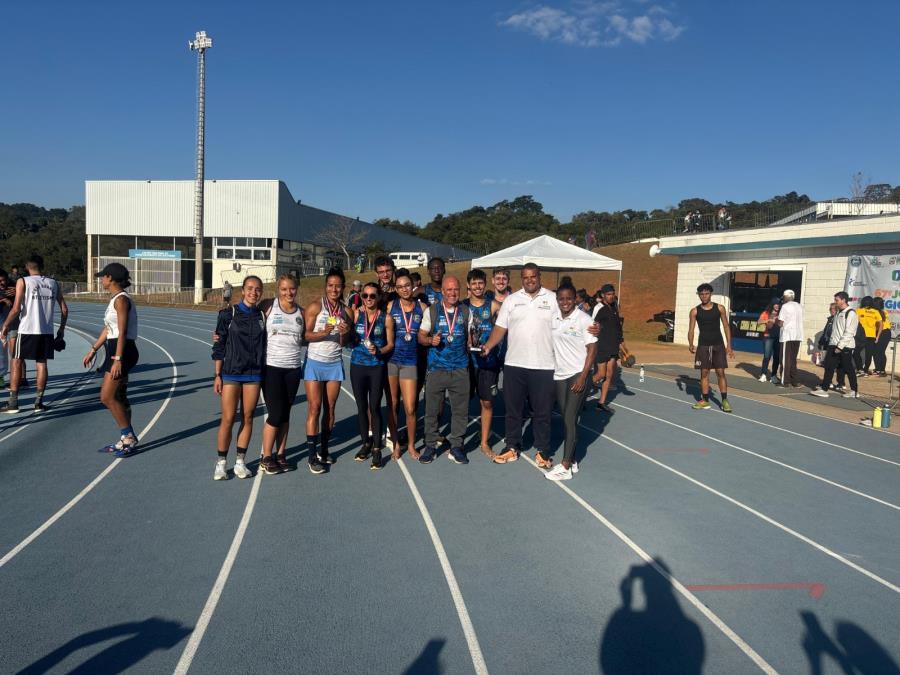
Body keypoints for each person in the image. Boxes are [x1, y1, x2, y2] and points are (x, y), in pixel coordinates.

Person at [481, 263, 556, 467]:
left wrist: (591, 327)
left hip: (544, 365)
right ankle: (512, 447)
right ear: (521, 279)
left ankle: (542, 450)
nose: (530, 280)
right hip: (514, 364)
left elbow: (569, 322)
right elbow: (500, 327)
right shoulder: (512, 301)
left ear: (539, 276)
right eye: (525, 277)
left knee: (542, 411)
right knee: (513, 410)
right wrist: (488, 346)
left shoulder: (552, 299)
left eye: (533, 277)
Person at [211, 276, 265, 480]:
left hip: (253, 373)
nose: (254, 292)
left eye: (258, 289)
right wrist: (217, 374)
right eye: (250, 288)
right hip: (231, 373)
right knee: (227, 418)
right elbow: (219, 345)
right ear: (242, 291)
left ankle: (240, 461)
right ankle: (221, 463)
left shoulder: (262, 315)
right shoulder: (228, 314)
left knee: (248, 417)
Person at [84, 263, 140, 456]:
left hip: (121, 350)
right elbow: (109, 329)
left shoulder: (121, 300)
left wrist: (117, 359)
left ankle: (129, 436)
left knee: (106, 397)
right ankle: (126, 438)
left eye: (103, 277)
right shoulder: (115, 299)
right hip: (116, 348)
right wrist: (93, 349)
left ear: (110, 278)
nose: (101, 280)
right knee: (120, 396)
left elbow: (122, 331)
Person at [1, 255, 68, 413]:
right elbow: (64, 309)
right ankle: (39, 403)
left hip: (26, 330)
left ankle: (13, 403)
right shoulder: (53, 283)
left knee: (16, 361)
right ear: (42, 265)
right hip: (46, 331)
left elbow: (16, 308)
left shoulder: (23, 281)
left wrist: (5, 325)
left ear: (26, 266)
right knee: (42, 364)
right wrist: (61, 330)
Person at [545, 283, 597, 481]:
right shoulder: (554, 319)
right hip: (560, 375)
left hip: (578, 374)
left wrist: (584, 376)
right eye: (561, 299)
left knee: (568, 417)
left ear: (575, 299)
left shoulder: (584, 320)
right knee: (568, 418)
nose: (565, 302)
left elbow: (592, 349)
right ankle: (573, 459)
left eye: (569, 298)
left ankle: (565, 465)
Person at [418, 275, 471, 465]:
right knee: (431, 411)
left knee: (460, 411)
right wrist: (430, 340)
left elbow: (470, 339)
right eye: (448, 290)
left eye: (455, 289)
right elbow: (421, 336)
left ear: (460, 291)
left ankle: (456, 446)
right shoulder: (432, 311)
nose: (452, 293)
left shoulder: (466, 311)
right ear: (442, 291)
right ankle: (430, 445)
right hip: (436, 368)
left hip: (460, 369)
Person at [304, 268, 352, 474]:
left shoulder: (347, 311)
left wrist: (346, 333)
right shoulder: (315, 306)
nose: (334, 289)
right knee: (314, 408)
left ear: (343, 288)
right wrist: (322, 333)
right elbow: (304, 336)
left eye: (338, 286)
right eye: (330, 285)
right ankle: (311, 455)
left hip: (334, 364)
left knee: (330, 408)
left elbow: (346, 343)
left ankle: (324, 449)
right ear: (326, 286)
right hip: (315, 362)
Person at [258, 275, 305, 475]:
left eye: (292, 289)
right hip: (272, 368)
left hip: (293, 369)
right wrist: (222, 329)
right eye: (284, 289)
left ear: (296, 289)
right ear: (278, 289)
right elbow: (245, 316)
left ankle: (281, 454)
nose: (288, 293)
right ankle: (266, 456)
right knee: (275, 414)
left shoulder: (301, 313)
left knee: (285, 414)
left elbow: (306, 338)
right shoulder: (268, 306)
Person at [349, 283, 394, 470]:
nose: (368, 299)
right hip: (357, 366)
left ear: (378, 297)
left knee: (374, 407)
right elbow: (349, 337)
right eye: (365, 296)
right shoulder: (357, 314)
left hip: (376, 366)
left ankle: (377, 448)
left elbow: (390, 345)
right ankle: (365, 443)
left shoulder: (386, 318)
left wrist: (379, 350)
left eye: (372, 296)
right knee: (361, 407)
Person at [386, 270, 426, 460]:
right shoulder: (390, 306)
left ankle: (411, 445)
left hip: (411, 362)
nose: (404, 290)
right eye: (400, 287)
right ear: (396, 289)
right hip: (392, 361)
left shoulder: (423, 308)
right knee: (393, 405)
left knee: (410, 407)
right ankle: (395, 445)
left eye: (407, 286)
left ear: (413, 286)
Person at [464, 269, 502, 458]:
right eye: (474, 283)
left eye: (481, 283)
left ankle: (484, 442)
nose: (478, 286)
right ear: (468, 285)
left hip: (488, 361)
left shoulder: (493, 305)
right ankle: (459, 439)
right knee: (462, 402)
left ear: (485, 284)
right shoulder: (462, 306)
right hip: (466, 362)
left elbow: (505, 326)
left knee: (486, 402)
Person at [687, 283, 734, 411]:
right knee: (704, 373)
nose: (704, 296)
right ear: (699, 295)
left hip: (718, 345)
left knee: (720, 373)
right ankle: (705, 401)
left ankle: (724, 400)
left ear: (711, 294)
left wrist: (729, 345)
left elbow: (726, 326)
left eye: (706, 293)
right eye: (701, 294)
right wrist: (690, 343)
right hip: (703, 346)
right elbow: (691, 329)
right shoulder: (694, 311)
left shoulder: (720, 308)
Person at [810, 292, 859, 399]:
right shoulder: (837, 313)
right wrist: (831, 344)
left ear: (843, 300)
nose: (835, 302)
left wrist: (840, 346)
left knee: (848, 368)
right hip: (833, 345)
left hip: (845, 346)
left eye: (837, 300)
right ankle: (824, 389)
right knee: (829, 366)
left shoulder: (851, 313)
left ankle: (854, 391)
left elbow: (850, 332)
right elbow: (835, 331)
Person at [588, 284, 627, 414]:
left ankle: (601, 403)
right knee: (601, 374)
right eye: (608, 294)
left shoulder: (614, 308)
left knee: (609, 376)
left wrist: (622, 343)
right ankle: (580, 392)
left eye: (612, 294)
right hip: (602, 346)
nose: (611, 296)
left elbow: (617, 327)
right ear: (603, 295)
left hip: (613, 346)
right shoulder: (599, 308)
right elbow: (591, 325)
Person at [777, 289, 804, 388]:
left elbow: (780, 323)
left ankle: (785, 381)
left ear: (785, 297)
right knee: (793, 359)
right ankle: (795, 381)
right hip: (798, 335)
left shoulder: (785, 306)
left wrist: (775, 320)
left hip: (787, 335)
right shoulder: (800, 306)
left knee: (785, 359)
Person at [857, 296, 882, 376]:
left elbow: (880, 324)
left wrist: (877, 336)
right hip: (861, 336)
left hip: (869, 336)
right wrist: (877, 336)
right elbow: (881, 325)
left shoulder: (874, 312)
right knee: (857, 353)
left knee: (868, 354)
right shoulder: (859, 311)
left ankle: (864, 370)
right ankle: (861, 369)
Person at [757, 300, 780, 382]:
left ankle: (773, 376)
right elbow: (759, 321)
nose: (777, 306)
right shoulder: (766, 313)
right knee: (767, 356)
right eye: (775, 304)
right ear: (772, 304)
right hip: (768, 337)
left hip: (778, 337)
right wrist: (768, 320)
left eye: (778, 304)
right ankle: (763, 374)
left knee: (777, 357)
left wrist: (777, 321)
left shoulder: (781, 313)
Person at [871, 297, 892, 377]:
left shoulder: (880, 312)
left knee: (879, 352)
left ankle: (881, 370)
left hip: (883, 333)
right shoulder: (881, 311)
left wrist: (877, 336)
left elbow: (881, 325)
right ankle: (879, 369)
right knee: (877, 352)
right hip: (882, 332)